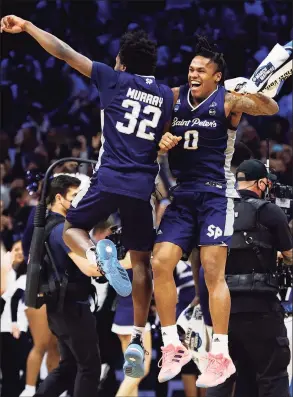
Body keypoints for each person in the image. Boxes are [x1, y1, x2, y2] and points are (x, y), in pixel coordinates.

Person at [0, 17, 173, 365]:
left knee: (71, 229)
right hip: (142, 187)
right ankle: (138, 337)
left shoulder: (113, 78)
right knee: (142, 261)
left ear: (122, 60)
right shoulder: (167, 94)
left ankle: (96, 258)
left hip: (109, 178)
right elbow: (162, 139)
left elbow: (64, 52)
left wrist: (31, 27)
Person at [145, 36, 279, 387]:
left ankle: (220, 354)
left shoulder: (229, 100)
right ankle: (172, 345)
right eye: (191, 68)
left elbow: (271, 110)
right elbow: (152, 139)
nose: (193, 73)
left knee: (211, 271)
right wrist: (160, 142)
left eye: (201, 70)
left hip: (217, 196)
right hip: (182, 196)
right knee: (160, 263)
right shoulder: (173, 98)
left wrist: (250, 92)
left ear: (217, 76)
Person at [206, 159, 292, 397]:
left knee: (224, 377)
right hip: (261, 308)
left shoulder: (218, 209)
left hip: (224, 309)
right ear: (262, 183)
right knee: (272, 376)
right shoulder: (270, 211)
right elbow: (290, 255)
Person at [32, 175, 102, 397]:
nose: (79, 201)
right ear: (59, 198)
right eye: (75, 196)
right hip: (72, 307)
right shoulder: (64, 230)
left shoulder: (47, 225)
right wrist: (124, 263)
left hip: (59, 307)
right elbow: (90, 269)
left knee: (70, 367)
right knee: (89, 368)